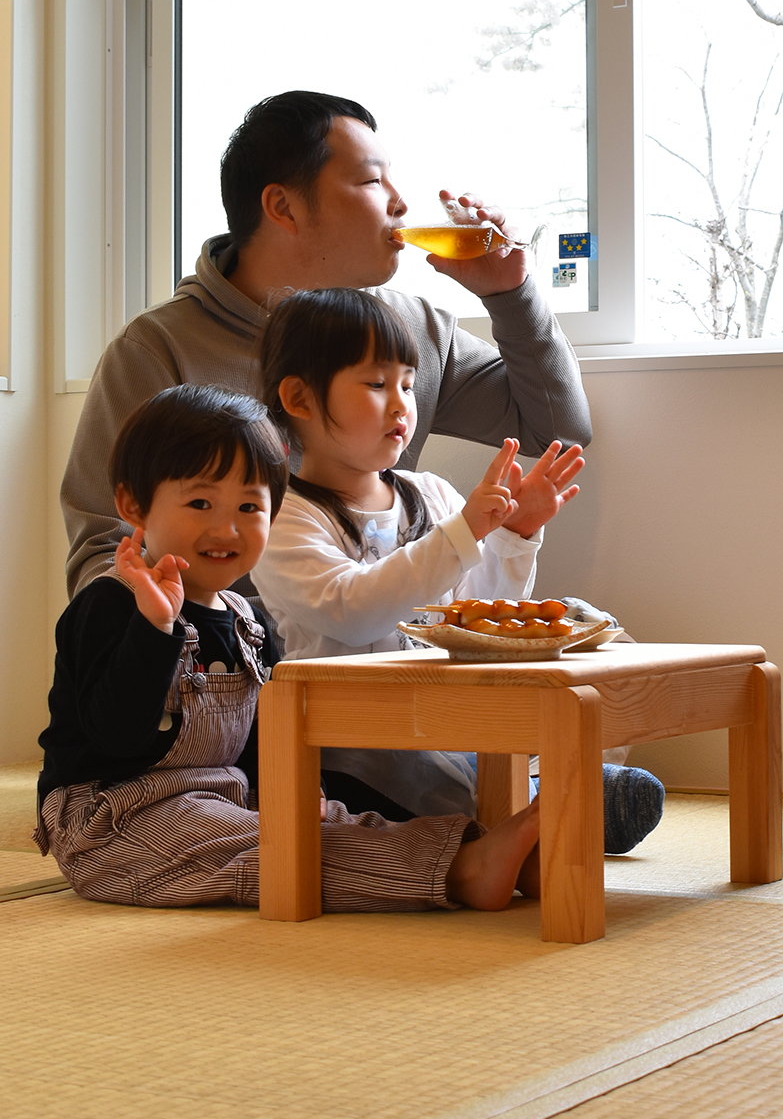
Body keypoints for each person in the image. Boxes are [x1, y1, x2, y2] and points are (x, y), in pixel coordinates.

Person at [61, 91, 592, 598]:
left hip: (388, 658)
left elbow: (559, 432)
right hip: (233, 670)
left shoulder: (411, 331)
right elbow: (105, 549)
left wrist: (511, 295)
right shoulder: (158, 350)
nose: (402, 203)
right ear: (283, 207)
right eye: (371, 180)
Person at [36, 384, 542, 913]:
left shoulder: (244, 618)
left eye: (250, 506)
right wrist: (155, 629)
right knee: (276, 852)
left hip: (224, 800)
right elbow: (115, 737)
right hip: (112, 821)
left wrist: (305, 792)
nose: (226, 527)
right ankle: (462, 874)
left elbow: (263, 733)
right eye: (200, 502)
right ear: (133, 505)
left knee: (324, 824)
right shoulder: (112, 606)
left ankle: (476, 849)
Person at [253, 289, 665, 854]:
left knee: (588, 625)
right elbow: (351, 611)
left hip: (451, 712)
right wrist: (465, 531)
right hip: (362, 738)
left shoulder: (431, 494)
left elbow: (475, 615)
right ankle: (540, 812)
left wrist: (513, 533)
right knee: (442, 780)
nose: (402, 404)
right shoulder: (283, 515)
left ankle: (542, 798)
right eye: (376, 385)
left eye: (406, 383)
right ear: (299, 398)